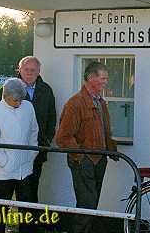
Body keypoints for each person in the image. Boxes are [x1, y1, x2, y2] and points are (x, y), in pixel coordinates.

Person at [55, 61, 118, 233]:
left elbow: (104, 132)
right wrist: (81, 158)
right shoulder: (75, 103)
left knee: (91, 203)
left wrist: (110, 149)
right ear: (91, 78)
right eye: (103, 78)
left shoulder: (101, 102)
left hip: (99, 160)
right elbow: (63, 137)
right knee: (86, 204)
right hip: (84, 162)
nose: (106, 82)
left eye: (106, 78)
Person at [0, 56, 56, 203]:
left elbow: (51, 119)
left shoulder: (46, 90)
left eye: (33, 70)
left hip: (35, 151)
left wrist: (44, 143)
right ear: (20, 70)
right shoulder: (7, 88)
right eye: (26, 69)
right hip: (11, 151)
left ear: (39, 71)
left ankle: (29, 226)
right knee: (4, 194)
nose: (29, 73)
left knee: (29, 193)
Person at [0, 78, 39, 233]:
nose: (19, 102)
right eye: (16, 100)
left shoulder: (28, 107)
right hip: (1, 172)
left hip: (25, 169)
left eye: (22, 99)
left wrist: (31, 154)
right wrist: (6, 163)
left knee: (27, 209)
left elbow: (34, 131)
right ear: (5, 96)